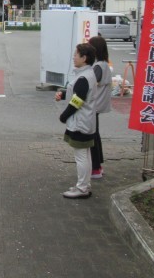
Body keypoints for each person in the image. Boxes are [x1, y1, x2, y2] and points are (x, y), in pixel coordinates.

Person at [55, 43, 97, 199]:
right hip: (85, 122)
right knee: (85, 154)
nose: (73, 57)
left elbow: (77, 101)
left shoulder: (84, 77)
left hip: (80, 123)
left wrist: (64, 115)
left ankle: (82, 188)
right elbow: (78, 94)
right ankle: (84, 185)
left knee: (81, 156)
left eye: (76, 55)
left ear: (84, 58)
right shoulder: (87, 74)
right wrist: (63, 94)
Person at [88, 35, 112, 179]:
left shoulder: (98, 66)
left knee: (92, 137)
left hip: (94, 105)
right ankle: (98, 166)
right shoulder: (104, 64)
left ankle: (95, 168)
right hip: (99, 105)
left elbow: (91, 83)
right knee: (95, 135)